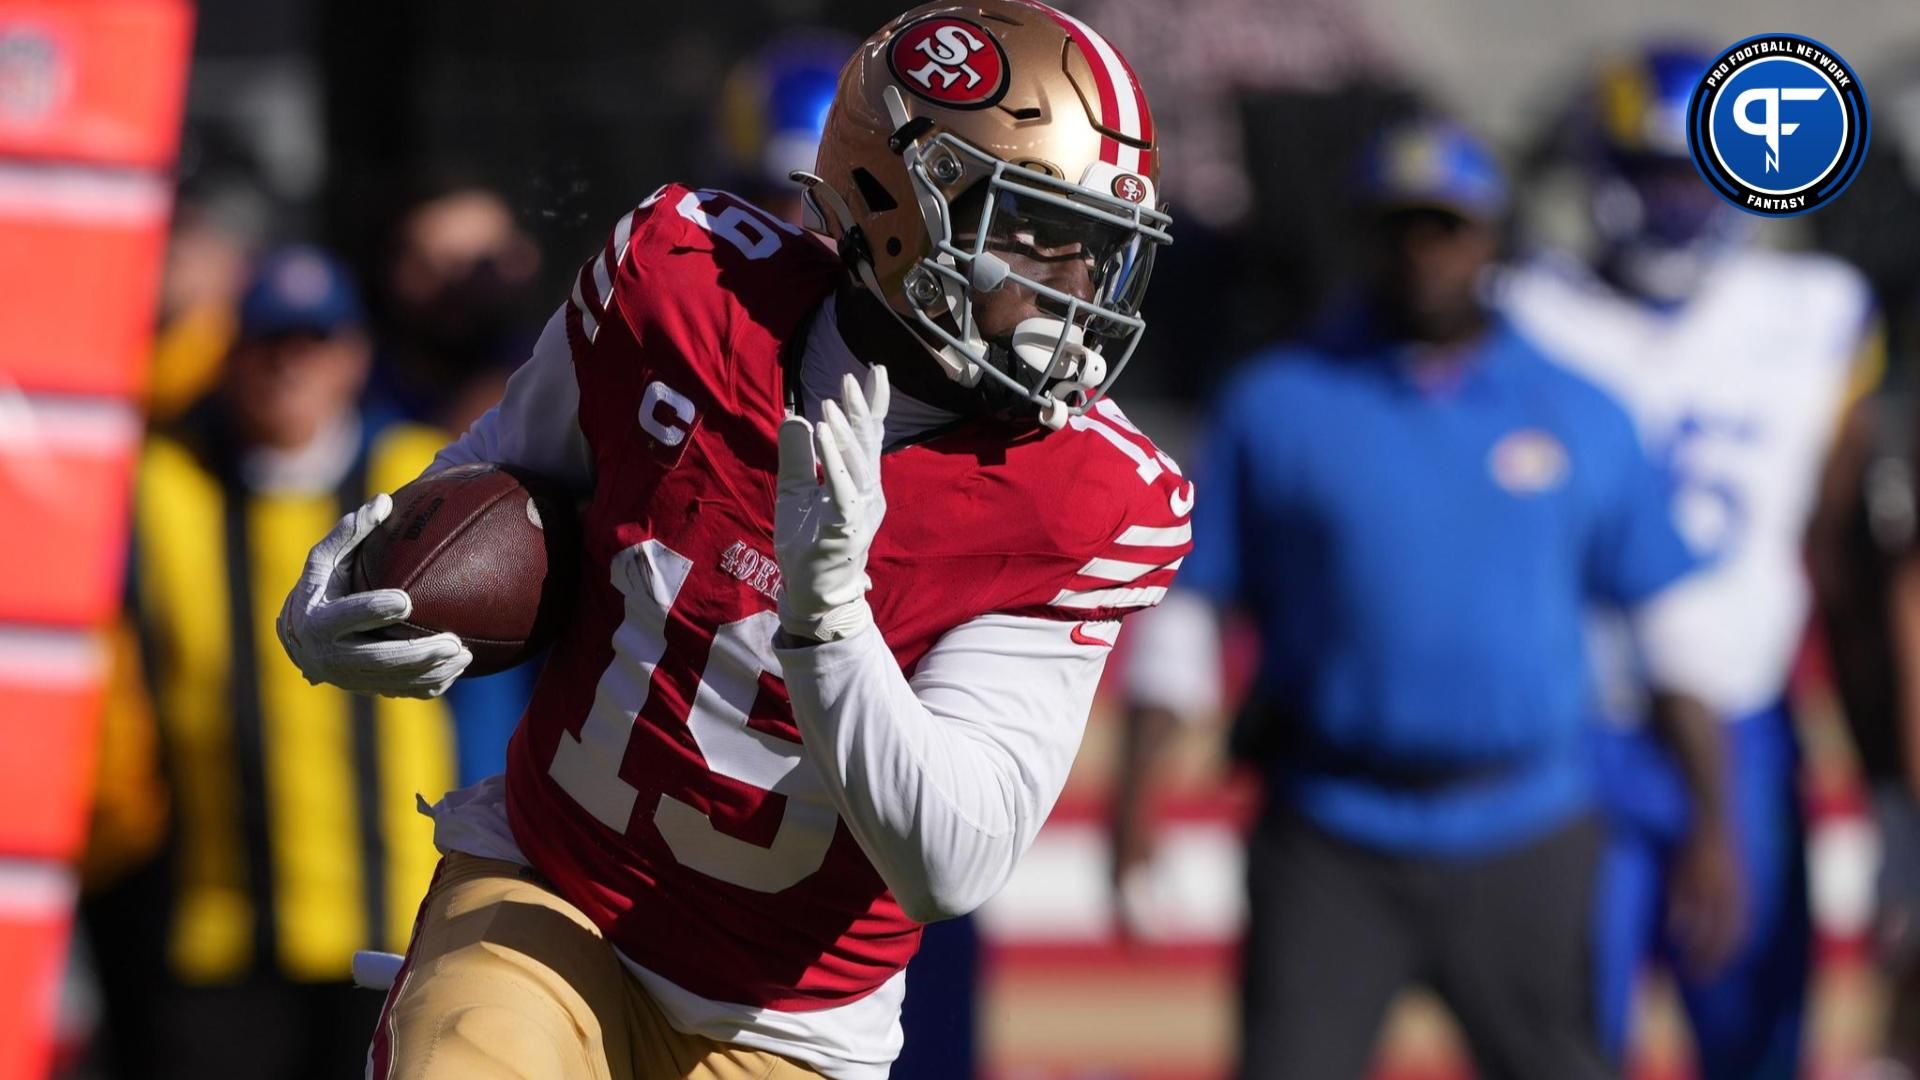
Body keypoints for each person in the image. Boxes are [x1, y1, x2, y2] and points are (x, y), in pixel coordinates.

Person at [275, 3, 1186, 1078]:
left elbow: (951, 858)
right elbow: (499, 478)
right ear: (899, 200)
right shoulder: (682, 282)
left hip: (789, 1022)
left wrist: (831, 618)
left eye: (1098, 245)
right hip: (550, 889)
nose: (1075, 284)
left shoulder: (1086, 496)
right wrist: (361, 582)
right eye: (1035, 230)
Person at [1115, 117, 1714, 1080]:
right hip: (1331, 832)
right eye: (1399, 226)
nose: (1422, 250)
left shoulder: (1580, 409)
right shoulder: (1279, 402)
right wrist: (1138, 805)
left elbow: (1671, 633)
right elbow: (1191, 609)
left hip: (1529, 826)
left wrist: (1713, 824)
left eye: (1446, 225)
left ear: (1491, 239)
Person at [1501, 45, 1883, 1080]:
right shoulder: (1526, 310)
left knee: (1757, 1036)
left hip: (1745, 721)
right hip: (1575, 723)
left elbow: (1844, 545)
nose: (1673, 205)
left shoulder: (1816, 313)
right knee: (1567, 1043)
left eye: (1692, 177)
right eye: (1649, 173)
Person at [80, 247, 459, 1080]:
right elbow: (77, 415)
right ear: (226, 353)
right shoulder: (162, 483)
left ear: (355, 355)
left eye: (314, 340)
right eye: (266, 340)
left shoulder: (427, 479)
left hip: (397, 922)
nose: (290, 363)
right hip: (216, 928)